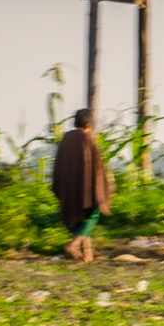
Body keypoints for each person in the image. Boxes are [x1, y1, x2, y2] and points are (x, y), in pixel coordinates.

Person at [50, 108, 113, 262]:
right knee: (93, 214)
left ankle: (86, 256)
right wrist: (104, 186)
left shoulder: (66, 139)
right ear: (89, 123)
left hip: (69, 189)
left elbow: (58, 164)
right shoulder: (88, 138)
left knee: (78, 221)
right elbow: (97, 167)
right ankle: (74, 244)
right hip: (86, 189)